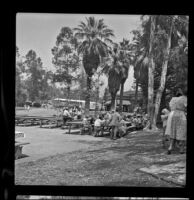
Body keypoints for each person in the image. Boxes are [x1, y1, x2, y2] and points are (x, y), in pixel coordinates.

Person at [166, 89, 187, 154]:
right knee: (182, 131)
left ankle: (170, 147)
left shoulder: (174, 99)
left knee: (173, 131)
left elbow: (171, 107)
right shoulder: (185, 98)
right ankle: (181, 149)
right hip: (181, 115)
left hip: (174, 115)